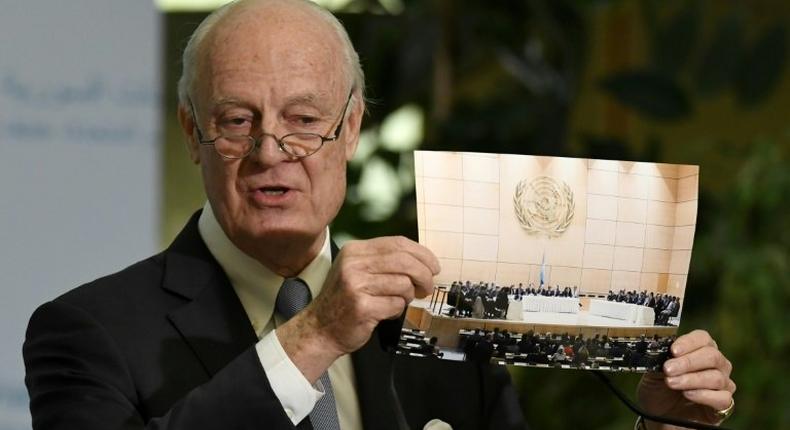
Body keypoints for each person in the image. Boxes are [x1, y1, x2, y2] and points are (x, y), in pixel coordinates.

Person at [23, 1, 735, 429]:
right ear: (190, 132)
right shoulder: (88, 331)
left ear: (354, 126)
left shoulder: (444, 320)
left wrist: (662, 425)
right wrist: (316, 336)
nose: (273, 150)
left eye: (305, 119)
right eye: (237, 120)